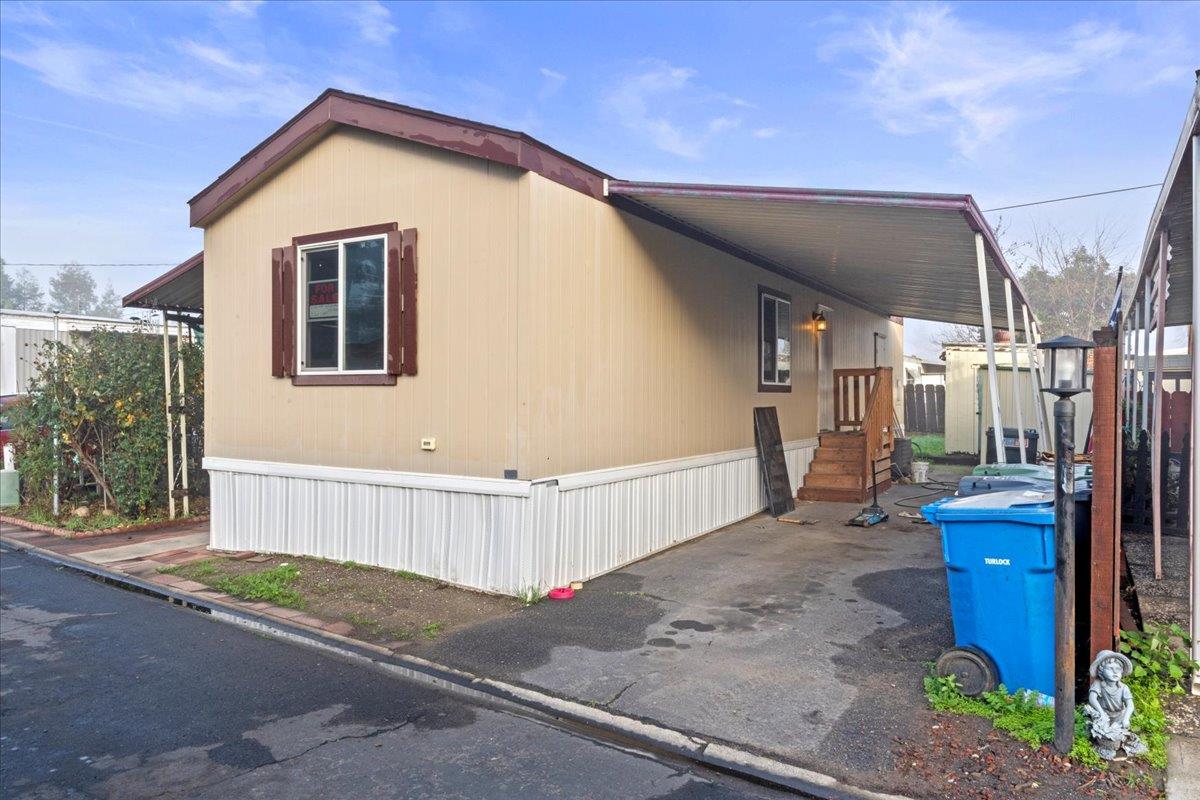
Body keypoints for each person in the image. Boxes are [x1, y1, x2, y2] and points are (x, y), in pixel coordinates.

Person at [1083, 650, 1148, 760]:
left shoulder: (1123, 688)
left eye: (1118, 669)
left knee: (1119, 734)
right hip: (1103, 715)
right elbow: (1092, 698)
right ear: (1101, 671)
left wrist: (1126, 718)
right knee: (1100, 731)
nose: (1115, 672)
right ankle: (1101, 746)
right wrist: (1102, 713)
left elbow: (1130, 705)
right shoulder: (1098, 684)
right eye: (1110, 669)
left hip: (1119, 716)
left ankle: (1121, 744)